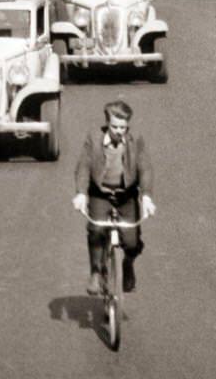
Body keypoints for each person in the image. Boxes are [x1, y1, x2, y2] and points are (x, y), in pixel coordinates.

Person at [72, 98, 156, 295]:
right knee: (96, 229)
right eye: (115, 126)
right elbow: (83, 166)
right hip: (100, 194)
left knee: (132, 241)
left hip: (126, 196)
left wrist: (146, 197)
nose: (119, 131)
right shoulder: (94, 139)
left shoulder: (135, 140)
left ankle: (127, 265)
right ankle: (96, 273)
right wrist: (81, 194)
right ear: (107, 123)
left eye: (123, 127)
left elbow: (145, 168)